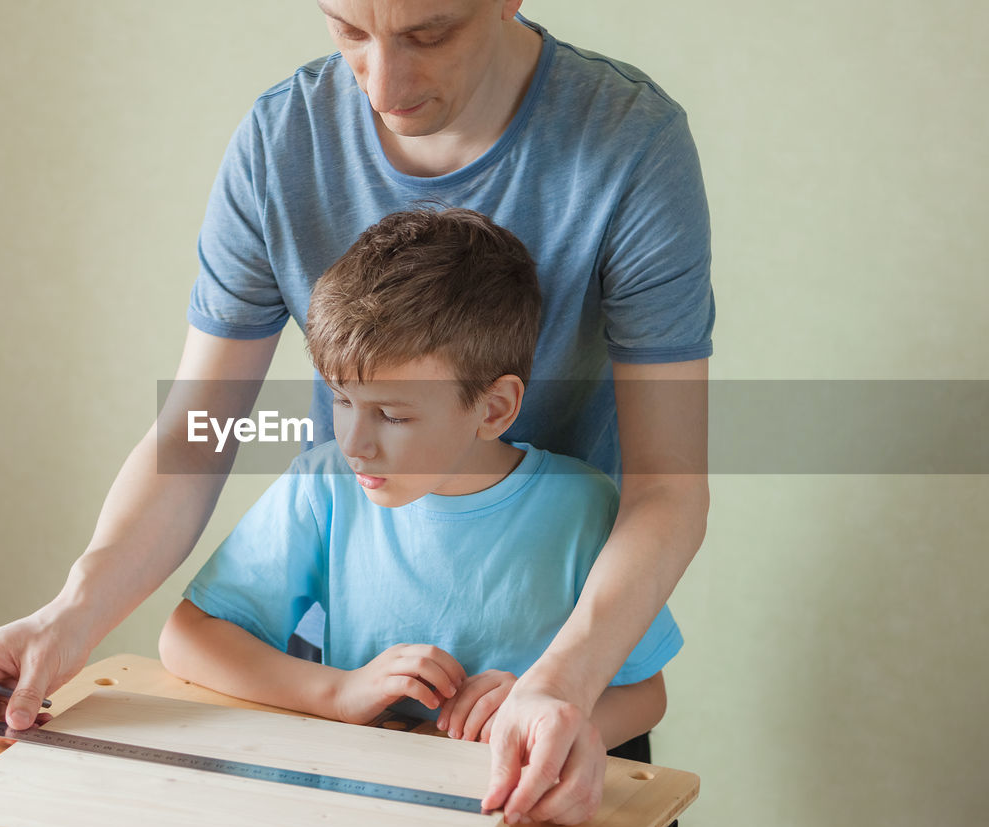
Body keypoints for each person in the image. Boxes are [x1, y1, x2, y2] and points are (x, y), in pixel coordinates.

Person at [0, 0, 712, 827]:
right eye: (347, 29)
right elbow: (198, 433)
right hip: (345, 728)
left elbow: (669, 485)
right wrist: (71, 613)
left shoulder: (631, 142)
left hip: (569, 680)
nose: (383, 84)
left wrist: (564, 684)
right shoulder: (282, 143)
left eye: (428, 33)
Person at [159, 207, 680, 778]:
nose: (355, 443)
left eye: (392, 415)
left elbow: (645, 694)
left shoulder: (583, 506)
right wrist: (338, 692)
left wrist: (539, 717)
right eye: (341, 400)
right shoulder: (324, 485)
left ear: (494, 408)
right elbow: (187, 638)